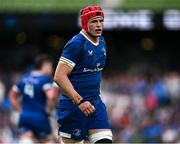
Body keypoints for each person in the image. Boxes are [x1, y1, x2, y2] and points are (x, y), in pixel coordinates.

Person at [54, 5, 113, 143]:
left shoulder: (102, 41)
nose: (99, 25)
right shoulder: (76, 44)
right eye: (94, 21)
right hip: (74, 106)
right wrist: (80, 101)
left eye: (101, 21)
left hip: (95, 103)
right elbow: (59, 76)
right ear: (85, 23)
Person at [9, 54, 57, 143]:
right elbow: (50, 97)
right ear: (45, 65)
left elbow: (12, 95)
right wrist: (50, 111)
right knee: (46, 140)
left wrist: (18, 110)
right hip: (40, 117)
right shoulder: (45, 79)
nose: (52, 69)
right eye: (51, 66)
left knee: (25, 139)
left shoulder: (24, 78)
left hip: (24, 116)